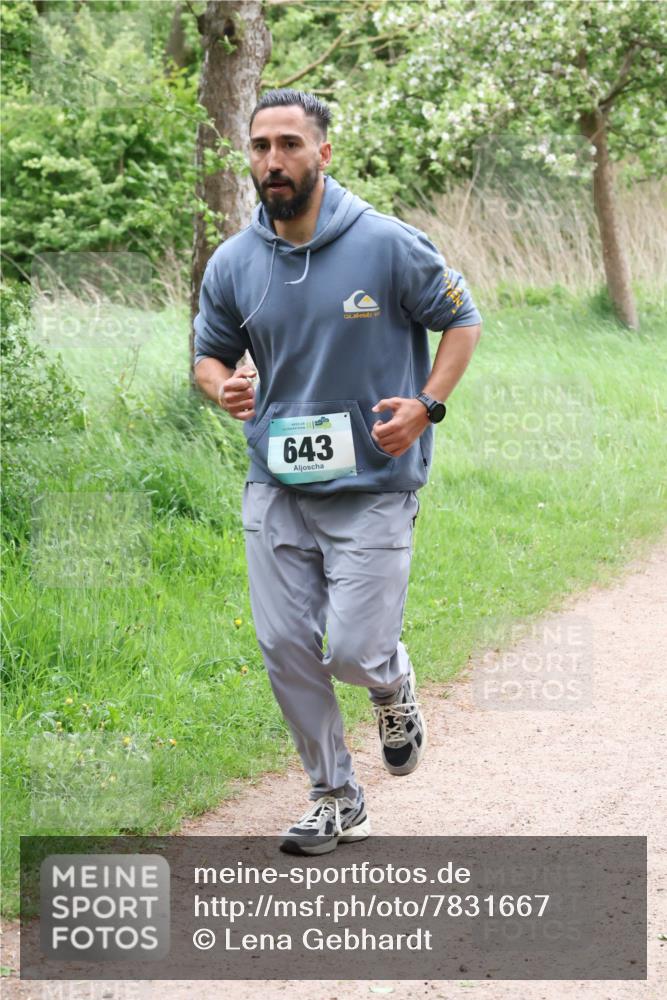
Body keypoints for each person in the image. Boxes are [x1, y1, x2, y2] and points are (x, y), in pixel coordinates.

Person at [193, 89, 482, 856]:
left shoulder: (385, 244)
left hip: (375, 487)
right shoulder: (234, 261)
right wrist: (219, 385)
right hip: (275, 483)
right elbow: (208, 353)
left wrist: (425, 405)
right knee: (285, 643)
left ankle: (389, 683)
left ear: (323, 153)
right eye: (260, 146)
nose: (272, 160)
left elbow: (462, 318)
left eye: (289, 144)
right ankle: (333, 795)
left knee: (352, 651)